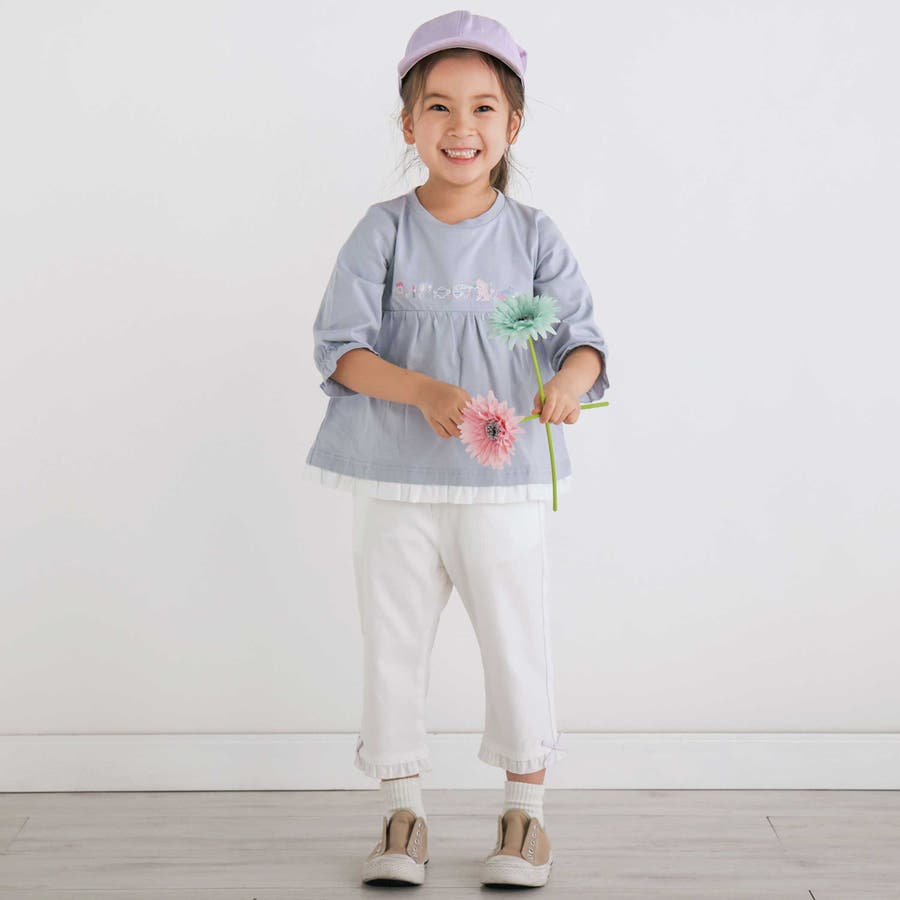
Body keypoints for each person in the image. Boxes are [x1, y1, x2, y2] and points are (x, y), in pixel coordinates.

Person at [304, 10, 610, 888]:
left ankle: (526, 817)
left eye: (483, 107)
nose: (460, 126)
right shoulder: (384, 230)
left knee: (517, 641)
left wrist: (568, 382)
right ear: (409, 125)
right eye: (438, 106)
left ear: (513, 124)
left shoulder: (534, 235)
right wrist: (424, 391)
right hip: (393, 477)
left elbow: (585, 343)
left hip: (503, 480)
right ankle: (402, 814)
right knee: (393, 645)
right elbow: (341, 350)